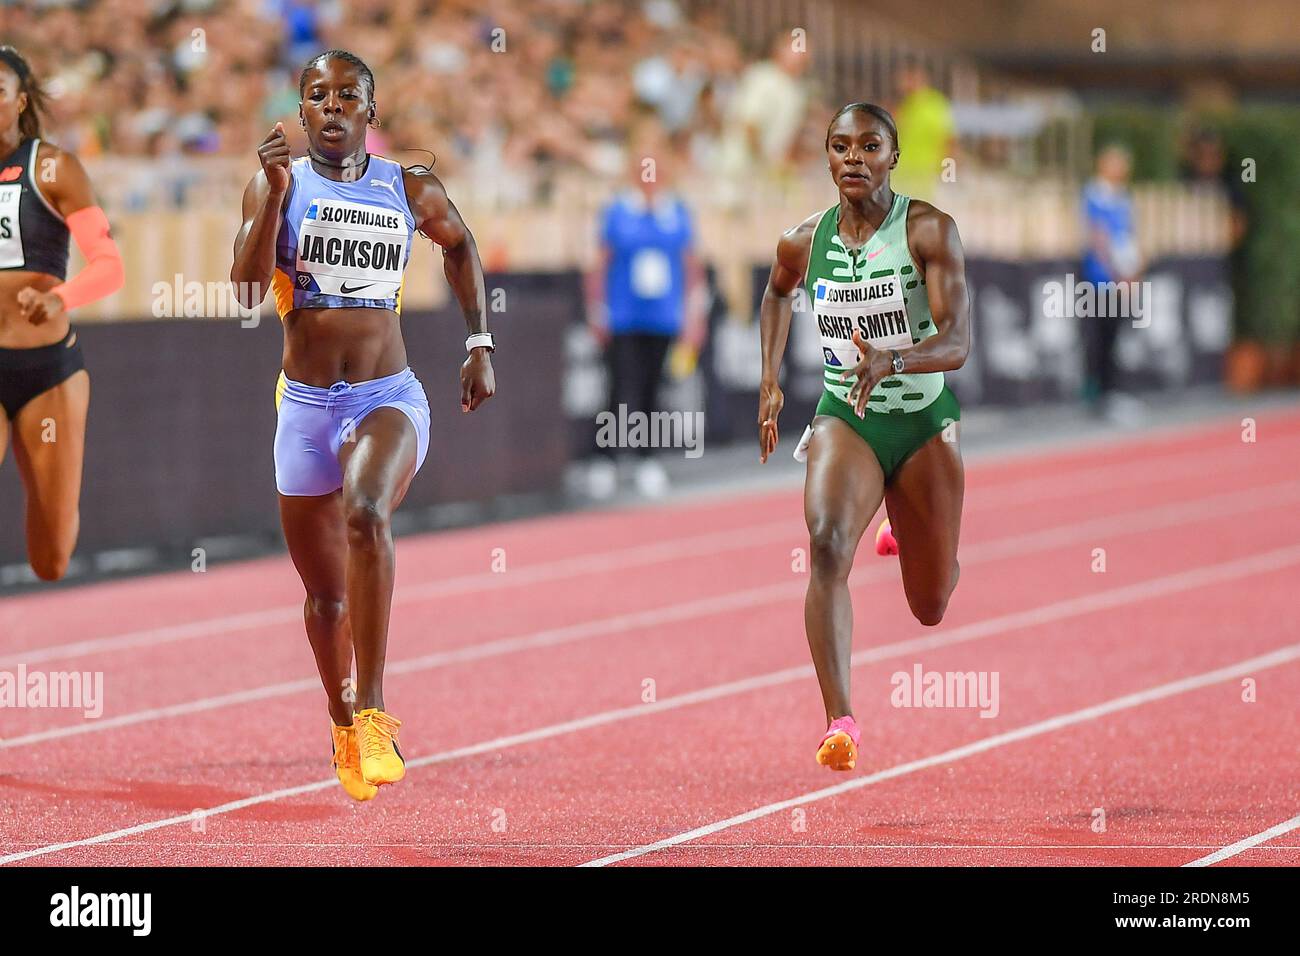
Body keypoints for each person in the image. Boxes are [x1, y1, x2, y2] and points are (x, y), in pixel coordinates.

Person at [230, 50, 495, 801]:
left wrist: (480, 343)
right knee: (325, 602)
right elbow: (248, 292)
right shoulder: (274, 184)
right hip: (306, 410)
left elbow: (462, 247)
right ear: (303, 110)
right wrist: (275, 198)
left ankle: (374, 709)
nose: (334, 106)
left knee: (367, 511)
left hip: (387, 396)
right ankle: (341, 716)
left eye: (350, 94)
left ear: (370, 113)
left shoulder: (407, 187)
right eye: (319, 95)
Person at [757, 103, 971, 771]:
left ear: (892, 158)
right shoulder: (802, 239)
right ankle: (839, 719)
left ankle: (909, 528)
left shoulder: (929, 230)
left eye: (869, 145)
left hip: (921, 421)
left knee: (930, 603)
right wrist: (770, 383)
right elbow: (776, 293)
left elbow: (959, 341)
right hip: (845, 414)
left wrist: (896, 359)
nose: (854, 157)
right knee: (825, 546)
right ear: (826, 159)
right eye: (841, 146)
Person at [0, 46, 124, 581]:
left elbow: (109, 265)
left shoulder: (51, 167)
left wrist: (58, 299)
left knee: (49, 557)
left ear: (19, 101)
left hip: (46, 372)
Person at [585, 123, 704, 499]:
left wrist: (693, 314)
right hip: (623, 315)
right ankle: (604, 460)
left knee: (654, 389)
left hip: (663, 315)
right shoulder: (618, 210)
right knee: (618, 387)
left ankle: (647, 460)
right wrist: (596, 308)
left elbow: (691, 266)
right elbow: (599, 263)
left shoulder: (678, 211)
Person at [1081, 142, 1143, 423]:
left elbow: (1129, 236)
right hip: (1101, 280)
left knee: (1118, 336)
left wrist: (1132, 272)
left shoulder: (1123, 198)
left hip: (1122, 278)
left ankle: (1114, 392)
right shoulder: (1094, 195)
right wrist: (1117, 273)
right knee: (1101, 337)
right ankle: (1100, 395)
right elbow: (1099, 237)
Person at [890, 56, 955, 202]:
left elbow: (949, 141)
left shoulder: (935, 105)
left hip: (923, 174)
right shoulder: (904, 104)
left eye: (905, 77)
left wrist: (948, 173)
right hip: (902, 174)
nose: (901, 83)